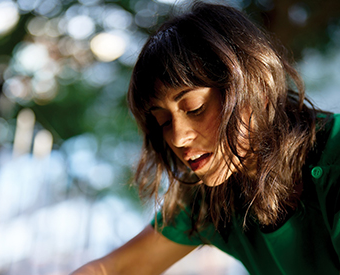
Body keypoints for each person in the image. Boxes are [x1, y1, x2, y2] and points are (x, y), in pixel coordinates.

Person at [72, 2, 340, 274]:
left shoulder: (336, 153)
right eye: (164, 121)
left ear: (257, 91)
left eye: (194, 109)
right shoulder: (211, 198)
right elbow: (113, 270)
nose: (177, 138)